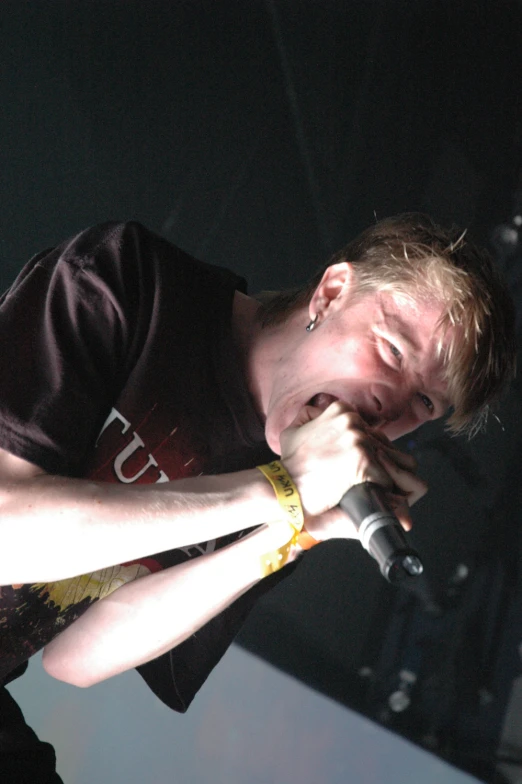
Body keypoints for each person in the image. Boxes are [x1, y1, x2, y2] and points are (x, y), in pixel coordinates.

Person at [0, 214, 515, 782]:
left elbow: (74, 658)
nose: (386, 407)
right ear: (332, 293)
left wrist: (300, 528)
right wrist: (279, 489)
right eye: (391, 350)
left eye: (423, 403)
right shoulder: (132, 283)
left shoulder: (303, 478)